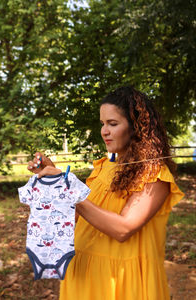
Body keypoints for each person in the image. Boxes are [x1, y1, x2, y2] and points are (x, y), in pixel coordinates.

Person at [28, 86, 184, 300]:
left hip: (119, 282)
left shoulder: (154, 174)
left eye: (113, 124)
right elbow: (73, 219)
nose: (104, 131)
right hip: (83, 275)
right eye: (103, 124)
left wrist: (71, 189)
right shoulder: (102, 167)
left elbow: (123, 229)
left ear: (136, 127)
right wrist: (54, 184)